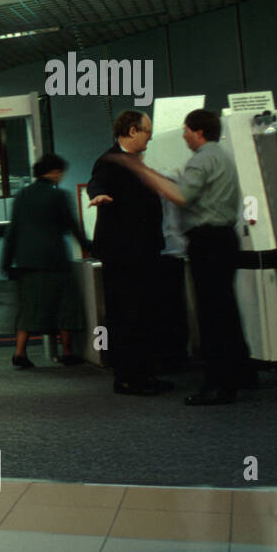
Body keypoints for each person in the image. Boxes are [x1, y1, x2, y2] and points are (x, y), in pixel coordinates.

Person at [106, 108, 252, 405]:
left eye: (185, 131)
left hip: (208, 242)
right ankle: (241, 372)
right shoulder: (221, 156)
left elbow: (182, 196)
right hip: (224, 239)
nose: (183, 136)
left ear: (198, 131)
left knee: (212, 315)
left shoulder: (201, 160)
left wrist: (143, 172)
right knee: (226, 311)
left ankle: (218, 385)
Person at [86, 110, 172, 397]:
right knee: (126, 315)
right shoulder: (110, 160)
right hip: (123, 255)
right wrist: (95, 195)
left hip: (143, 252)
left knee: (145, 313)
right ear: (132, 131)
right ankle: (126, 378)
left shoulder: (138, 162)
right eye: (147, 131)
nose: (150, 136)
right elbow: (97, 182)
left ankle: (144, 374)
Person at [2, 153, 88, 368]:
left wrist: (6, 262)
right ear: (55, 172)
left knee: (28, 307)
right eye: (61, 172)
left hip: (27, 262)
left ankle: (20, 352)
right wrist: (90, 247)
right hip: (54, 260)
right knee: (65, 305)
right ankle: (67, 351)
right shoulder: (58, 195)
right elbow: (72, 226)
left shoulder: (22, 195)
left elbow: (12, 231)